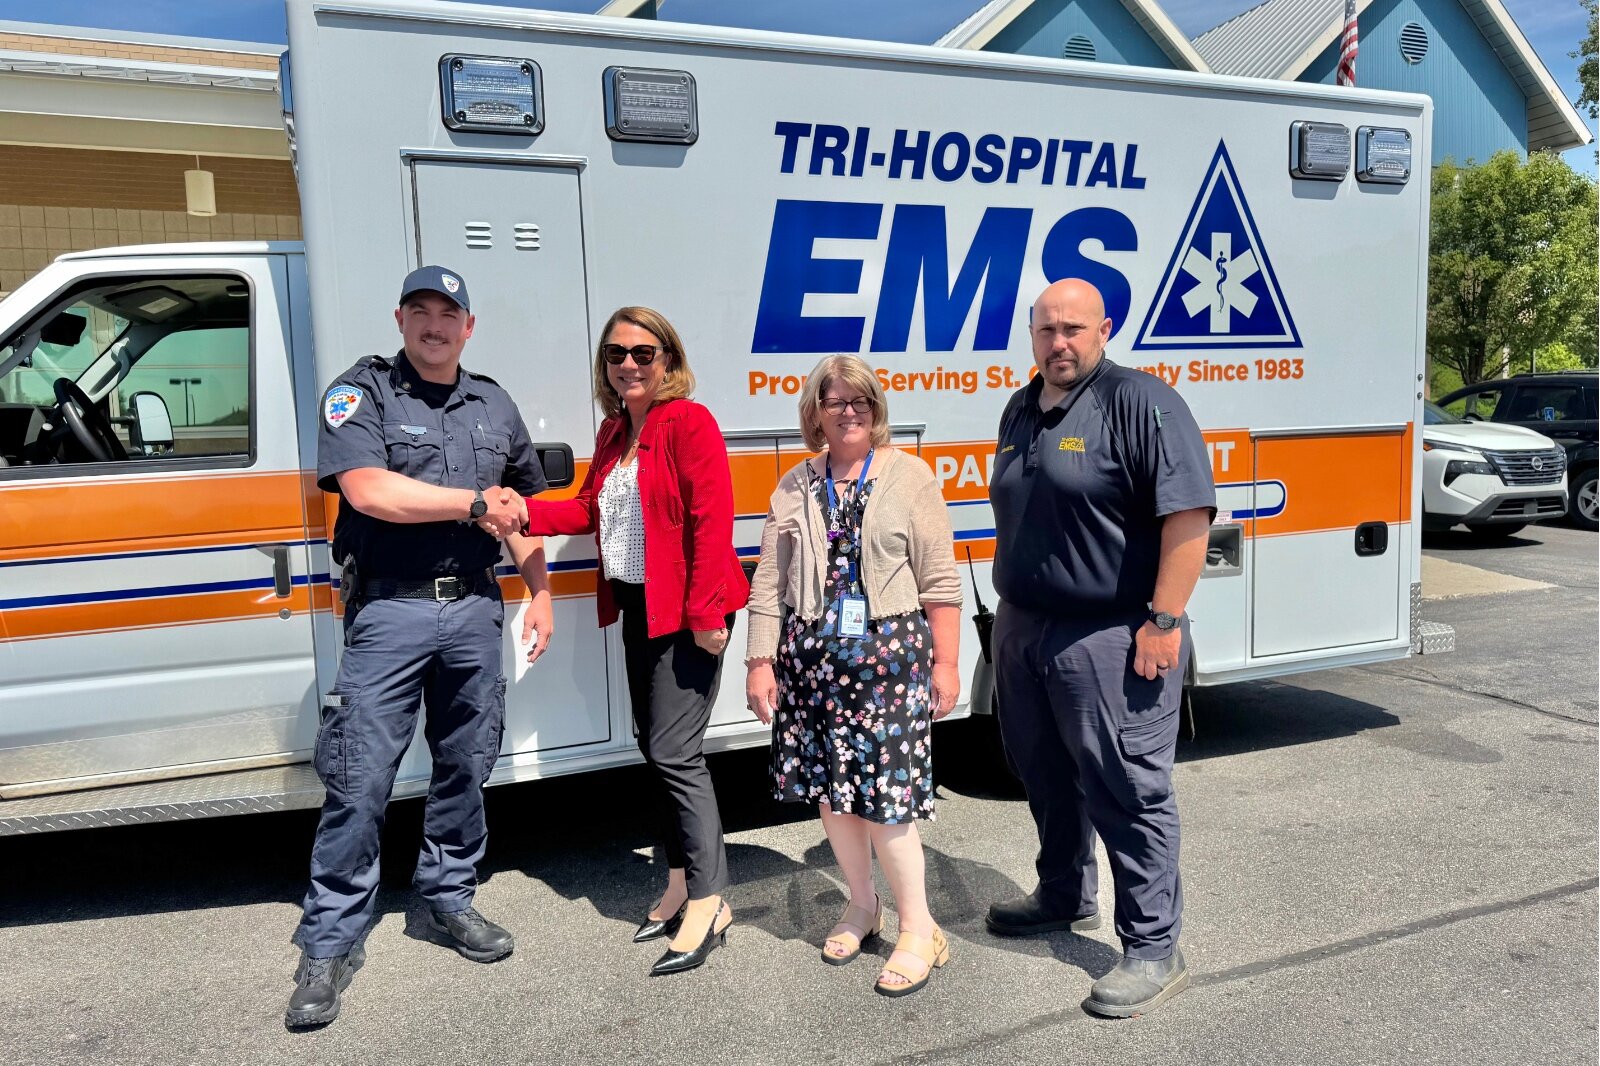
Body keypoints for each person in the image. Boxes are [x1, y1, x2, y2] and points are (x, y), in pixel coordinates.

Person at [287, 266, 554, 1029]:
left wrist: (540, 591)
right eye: (422, 312)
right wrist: (472, 502)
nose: (436, 326)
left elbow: (518, 514)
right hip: (390, 614)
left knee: (466, 764)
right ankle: (331, 941)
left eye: (450, 314)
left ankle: (448, 899)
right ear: (400, 319)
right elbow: (368, 489)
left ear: (468, 327)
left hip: (473, 608)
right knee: (360, 776)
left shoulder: (492, 403)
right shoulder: (362, 393)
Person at [985, 278, 1215, 1018]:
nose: (1060, 343)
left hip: (1111, 635)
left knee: (1128, 789)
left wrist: (1164, 622)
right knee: (1044, 774)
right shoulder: (1021, 407)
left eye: (1074, 329)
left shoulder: (1143, 403)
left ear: (1104, 329)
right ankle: (1062, 894)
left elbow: (1187, 518)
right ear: (1032, 335)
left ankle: (1154, 947)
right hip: (1025, 628)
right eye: (1047, 330)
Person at [502, 306, 747, 976]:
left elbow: (709, 519)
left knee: (676, 752)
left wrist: (704, 615)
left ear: (668, 359)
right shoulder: (615, 431)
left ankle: (711, 899)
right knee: (653, 748)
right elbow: (586, 510)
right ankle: (676, 882)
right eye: (616, 353)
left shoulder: (687, 422)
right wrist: (524, 510)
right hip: (640, 607)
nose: (629, 364)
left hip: (689, 610)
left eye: (644, 351)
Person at [744, 354, 963, 998]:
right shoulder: (794, 484)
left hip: (890, 662)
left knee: (887, 803)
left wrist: (946, 664)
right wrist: (761, 661)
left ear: (876, 409)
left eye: (859, 401)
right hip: (813, 664)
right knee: (835, 800)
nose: (847, 412)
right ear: (814, 412)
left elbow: (941, 582)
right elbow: (769, 582)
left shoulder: (910, 477)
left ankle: (919, 928)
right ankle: (863, 908)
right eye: (834, 402)